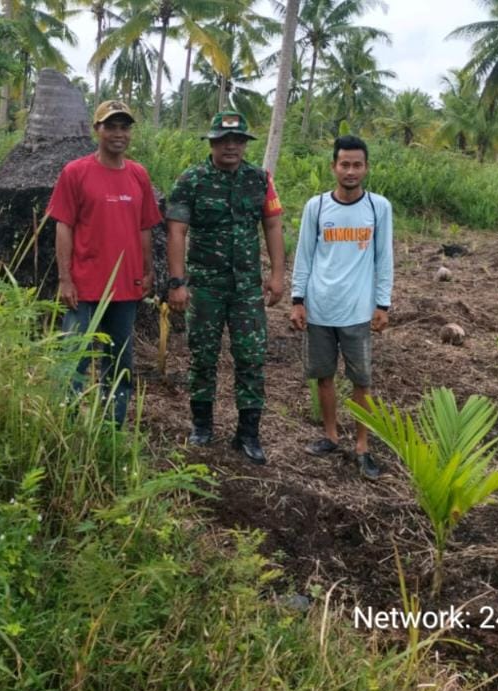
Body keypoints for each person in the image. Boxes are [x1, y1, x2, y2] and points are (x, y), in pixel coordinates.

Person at [166, 111, 285, 464]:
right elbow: (176, 231)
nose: (231, 146)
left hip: (247, 287)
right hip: (205, 287)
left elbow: (273, 226)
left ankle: (248, 434)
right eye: (223, 140)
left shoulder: (260, 180)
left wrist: (277, 275)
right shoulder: (191, 180)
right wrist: (177, 282)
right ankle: (202, 427)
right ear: (212, 143)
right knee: (203, 357)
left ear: (245, 144)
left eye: (237, 141)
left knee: (251, 358)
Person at [47, 99, 163, 428]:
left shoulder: (138, 175)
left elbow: (144, 226)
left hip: (125, 289)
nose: (118, 133)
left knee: (119, 364)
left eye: (124, 127)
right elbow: (64, 226)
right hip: (83, 288)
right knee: (74, 362)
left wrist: (147, 270)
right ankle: (64, 427)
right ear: (96, 130)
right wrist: (65, 279)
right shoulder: (75, 172)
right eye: (110, 126)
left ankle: (112, 430)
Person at [289, 135, 394, 480]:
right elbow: (304, 256)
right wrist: (297, 300)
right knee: (324, 376)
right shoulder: (316, 207)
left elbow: (384, 258)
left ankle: (362, 445)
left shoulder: (379, 208)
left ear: (365, 168)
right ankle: (331, 435)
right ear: (334, 166)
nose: (350, 171)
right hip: (320, 308)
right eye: (344, 164)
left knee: (361, 380)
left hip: (358, 310)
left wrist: (383, 303)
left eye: (357, 164)